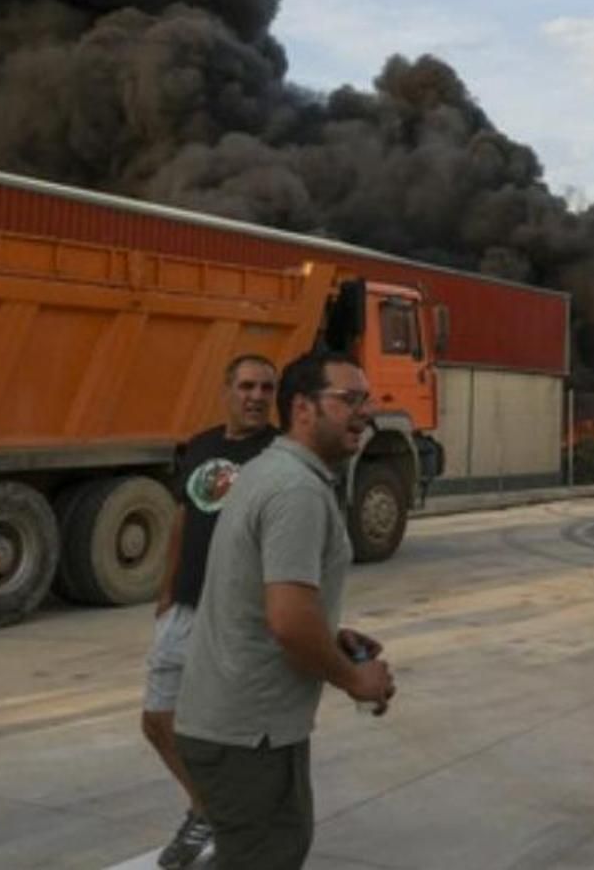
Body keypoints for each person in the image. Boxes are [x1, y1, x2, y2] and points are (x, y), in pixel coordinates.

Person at [174, 352, 395, 870]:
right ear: (302, 408)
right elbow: (288, 621)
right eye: (349, 399)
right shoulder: (296, 490)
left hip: (235, 727)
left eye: (366, 399)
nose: (364, 412)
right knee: (268, 856)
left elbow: (265, 601)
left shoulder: (268, 470)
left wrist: (329, 635)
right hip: (249, 735)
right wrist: (354, 679)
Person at [146, 354, 279, 869]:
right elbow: (183, 518)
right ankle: (208, 807)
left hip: (238, 615)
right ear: (226, 390)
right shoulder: (201, 445)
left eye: (266, 388)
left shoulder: (278, 454)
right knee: (158, 719)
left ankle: (230, 823)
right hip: (184, 604)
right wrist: (166, 588)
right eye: (247, 386)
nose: (256, 397)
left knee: (230, 731)